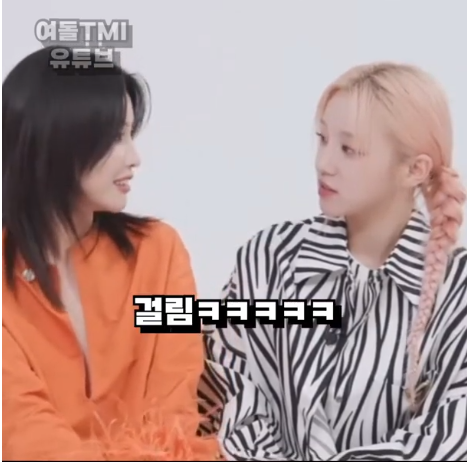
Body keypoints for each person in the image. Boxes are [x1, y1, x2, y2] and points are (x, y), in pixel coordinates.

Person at [199, 63, 467, 461]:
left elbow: (448, 439)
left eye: (348, 149)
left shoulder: (457, 290)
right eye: (322, 139)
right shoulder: (268, 256)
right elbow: (231, 391)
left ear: (415, 169)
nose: (324, 163)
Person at [2, 46, 219, 461]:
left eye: (131, 135)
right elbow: (26, 436)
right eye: (117, 136)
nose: (134, 158)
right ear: (59, 140)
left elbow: (173, 414)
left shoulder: (159, 252)